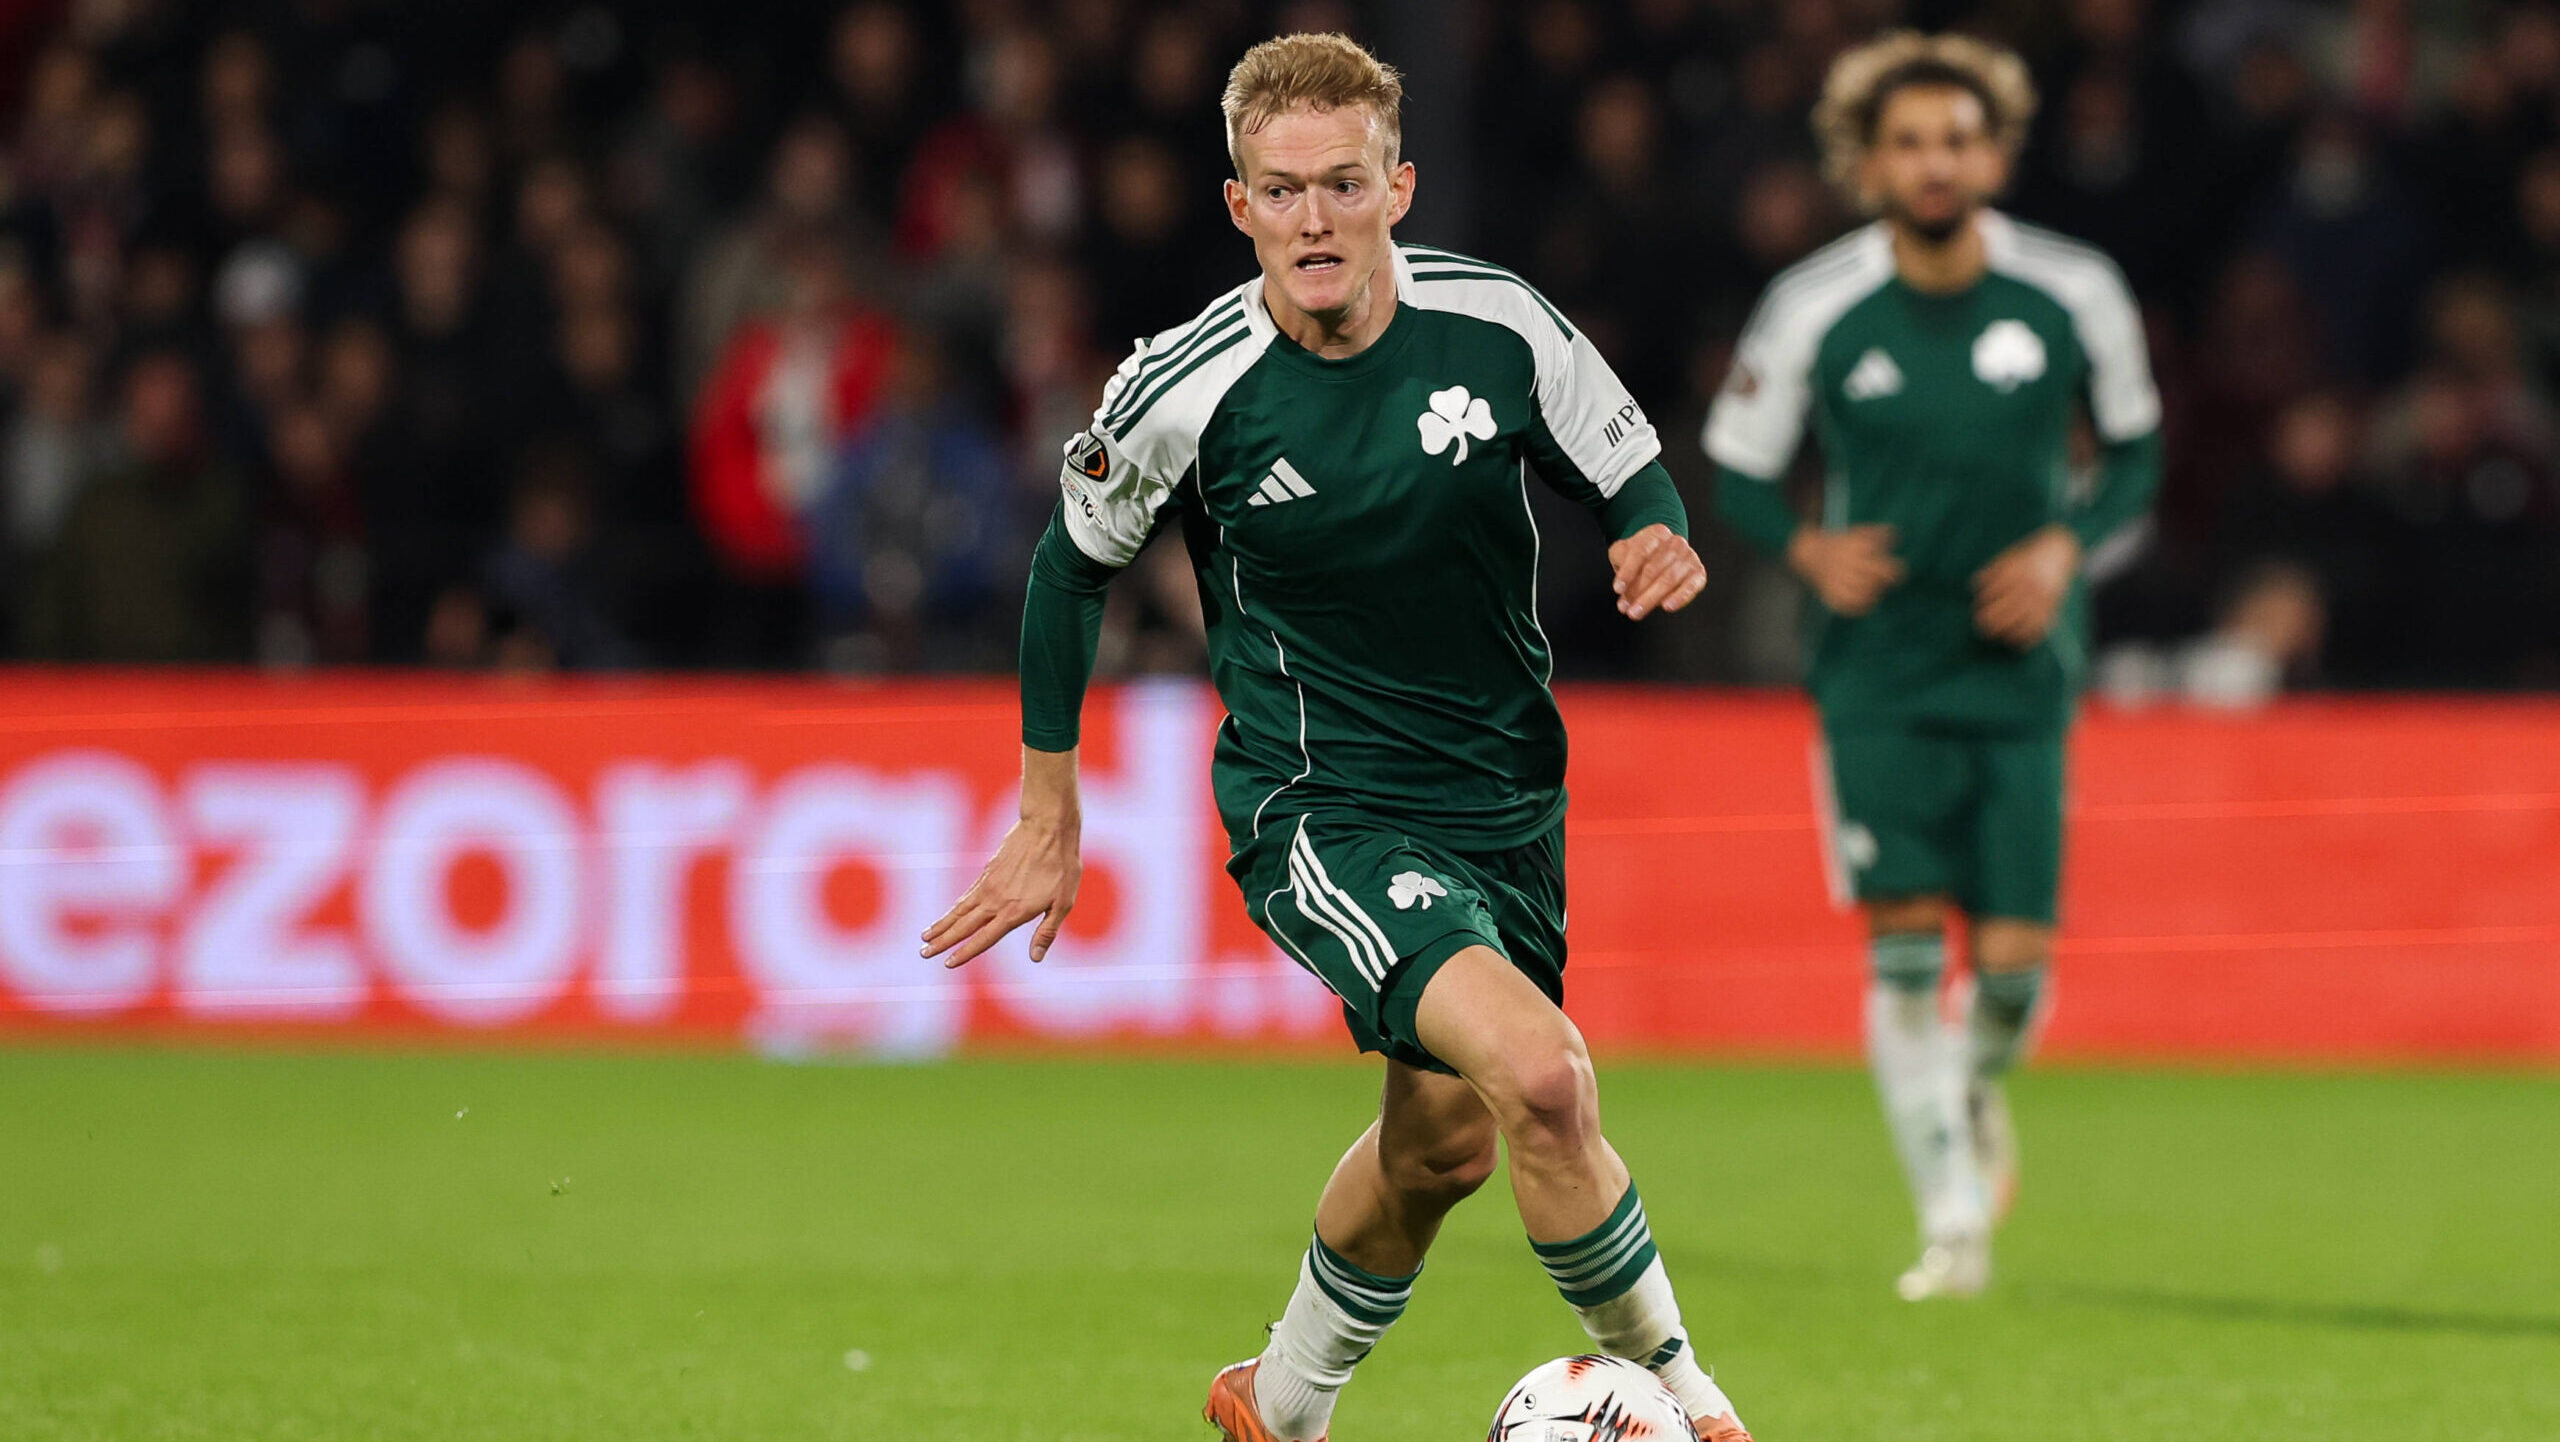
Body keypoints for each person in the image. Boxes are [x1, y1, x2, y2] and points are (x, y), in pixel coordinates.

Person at [923, 33, 1753, 1442]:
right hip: (1323, 805)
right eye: (1283, 189)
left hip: (1504, 797)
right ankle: (1690, 1401)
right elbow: (1069, 569)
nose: (1315, 218)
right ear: (1238, 203)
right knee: (1548, 1079)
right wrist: (1047, 810)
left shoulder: (1500, 324)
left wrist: (1656, 532)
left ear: (1398, 188)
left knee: (1442, 1145)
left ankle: (1279, 1406)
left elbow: (1630, 464)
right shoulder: (1184, 386)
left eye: (1344, 183)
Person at [1703, 32, 2162, 1300]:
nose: (1935, 161)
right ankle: (1951, 1218)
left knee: (2011, 973)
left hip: (2020, 665)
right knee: (1904, 947)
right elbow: (1736, 459)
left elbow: (2135, 450)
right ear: (1867, 162)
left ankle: (1973, 1078)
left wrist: (2067, 544)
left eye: (1957, 137)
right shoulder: (1812, 303)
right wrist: (1805, 546)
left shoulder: (2073, 291)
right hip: (1877, 668)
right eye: (1908, 141)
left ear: (1995, 152)